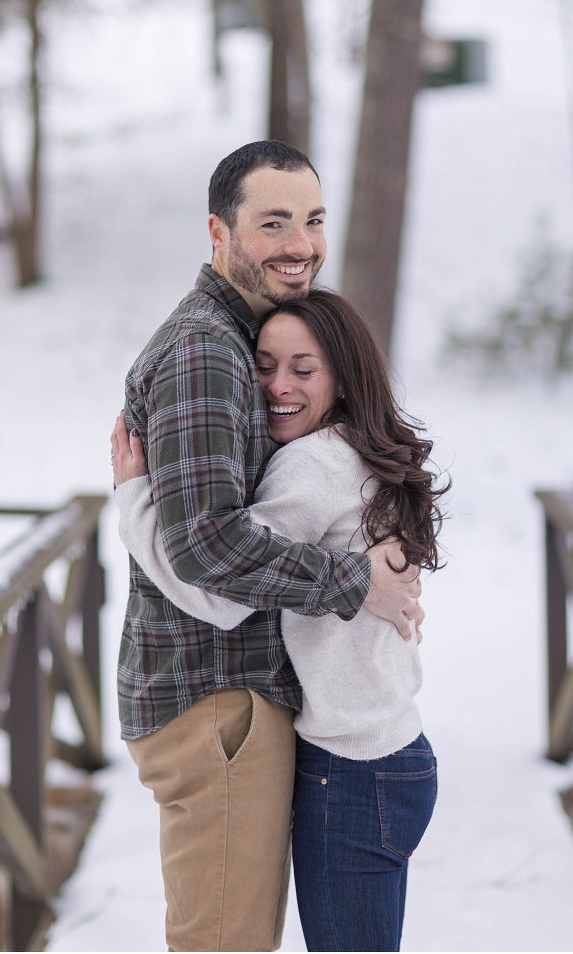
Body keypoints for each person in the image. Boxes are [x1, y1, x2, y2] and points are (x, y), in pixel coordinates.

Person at [116, 140, 424, 953]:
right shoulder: (208, 351)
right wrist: (353, 581)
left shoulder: (244, 340)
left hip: (235, 696)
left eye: (314, 220)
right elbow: (209, 546)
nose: (301, 244)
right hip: (216, 693)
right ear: (219, 232)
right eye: (274, 222)